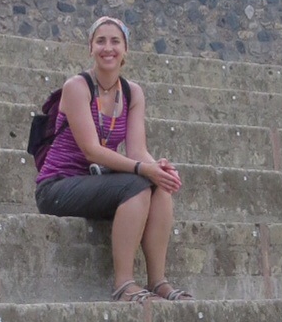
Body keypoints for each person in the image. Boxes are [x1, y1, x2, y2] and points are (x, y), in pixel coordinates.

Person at [35, 15, 192, 302]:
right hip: (58, 187)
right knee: (137, 184)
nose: (108, 48)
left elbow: (137, 150)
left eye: (115, 41)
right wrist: (143, 170)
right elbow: (92, 152)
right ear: (91, 48)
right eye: (101, 41)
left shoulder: (132, 92)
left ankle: (158, 281)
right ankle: (123, 284)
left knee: (159, 186)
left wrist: (159, 168)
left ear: (126, 50)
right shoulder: (77, 87)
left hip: (96, 185)